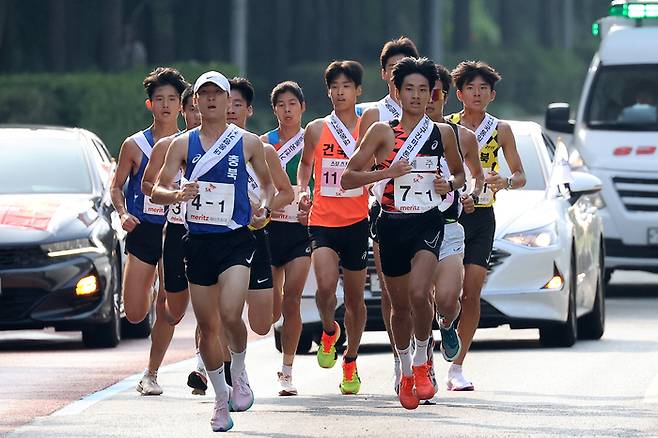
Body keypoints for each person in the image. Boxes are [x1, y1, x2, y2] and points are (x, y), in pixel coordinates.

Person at [152, 71, 274, 432]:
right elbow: (158, 188)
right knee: (207, 327)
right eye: (203, 95)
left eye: (217, 95)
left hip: (236, 238)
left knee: (231, 313)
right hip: (198, 240)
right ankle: (221, 400)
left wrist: (262, 207)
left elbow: (267, 185)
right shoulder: (182, 145)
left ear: (227, 101)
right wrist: (178, 195)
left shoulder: (248, 142)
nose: (210, 100)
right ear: (196, 103)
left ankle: (239, 367)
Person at [342, 56, 464, 410]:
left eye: (423, 89)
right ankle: (406, 369)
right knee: (399, 305)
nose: (415, 95)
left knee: (419, 291)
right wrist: (386, 173)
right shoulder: (381, 132)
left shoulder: (442, 133)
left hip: (427, 221)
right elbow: (350, 176)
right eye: (408, 88)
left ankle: (425, 360)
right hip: (390, 223)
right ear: (396, 91)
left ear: (432, 94)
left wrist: (448, 183)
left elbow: (459, 175)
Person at [447, 60, 526, 391]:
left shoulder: (500, 129)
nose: (476, 94)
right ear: (460, 93)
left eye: (483, 89)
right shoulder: (444, 125)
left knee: (473, 292)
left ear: (492, 94)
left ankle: (457, 367)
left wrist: (503, 181)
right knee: (445, 293)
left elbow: (521, 175)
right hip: (450, 213)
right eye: (470, 88)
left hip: (482, 215)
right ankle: (443, 326)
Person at [109, 67, 187, 395]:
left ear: (183, 105)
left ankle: (152, 373)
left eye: (172, 99)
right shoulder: (134, 145)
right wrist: (123, 213)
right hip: (143, 229)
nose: (166, 105)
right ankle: (148, 290)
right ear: (149, 104)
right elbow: (116, 188)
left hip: (177, 232)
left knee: (168, 309)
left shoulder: (191, 144)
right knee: (136, 312)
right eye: (160, 99)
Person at [297, 60, 369, 395]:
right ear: (328, 92)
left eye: (346, 87)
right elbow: (306, 165)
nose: (340, 92)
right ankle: (329, 331)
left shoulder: (369, 129)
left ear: (358, 91)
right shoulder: (315, 129)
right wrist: (303, 189)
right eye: (334, 87)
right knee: (325, 287)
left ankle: (351, 361)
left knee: (355, 298)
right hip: (323, 219)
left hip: (356, 220)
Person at [356, 36, 419, 394]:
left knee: (422, 293)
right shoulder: (374, 115)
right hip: (386, 212)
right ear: (384, 74)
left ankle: (422, 358)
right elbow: (360, 167)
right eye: (394, 69)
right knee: (394, 295)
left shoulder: (428, 109)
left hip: (426, 213)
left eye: (407, 64)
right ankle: (401, 361)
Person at [136, 86, 202, 395]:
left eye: (201, 108)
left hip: (214, 234)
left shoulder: (230, 146)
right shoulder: (168, 146)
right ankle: (151, 373)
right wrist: (172, 193)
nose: (196, 114)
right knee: (171, 309)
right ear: (184, 111)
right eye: (191, 108)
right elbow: (148, 184)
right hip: (176, 230)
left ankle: (205, 370)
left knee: (210, 305)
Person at [425, 64, 483, 369]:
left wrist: (468, 194)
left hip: (447, 226)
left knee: (448, 299)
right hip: (407, 226)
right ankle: (421, 366)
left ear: (447, 97)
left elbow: (475, 177)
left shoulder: (463, 136)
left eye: (435, 92)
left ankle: (446, 325)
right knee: (414, 301)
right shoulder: (395, 133)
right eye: (421, 91)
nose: (428, 98)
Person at [260, 81, 313, 396]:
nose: (287, 109)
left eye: (292, 103)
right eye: (281, 104)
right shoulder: (263, 144)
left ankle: (287, 371)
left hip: (300, 229)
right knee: (271, 309)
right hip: (269, 228)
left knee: (292, 299)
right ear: (274, 109)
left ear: (302, 107)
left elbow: (323, 182)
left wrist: (312, 204)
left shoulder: (313, 140)